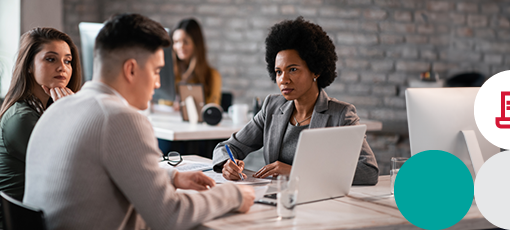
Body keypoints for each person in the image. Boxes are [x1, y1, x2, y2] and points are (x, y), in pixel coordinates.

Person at [23, 13, 254, 230]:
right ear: (131, 69)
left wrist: (172, 177)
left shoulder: (57, 108)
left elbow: (100, 173)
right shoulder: (120, 118)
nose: (156, 83)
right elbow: (169, 216)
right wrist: (233, 195)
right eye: (156, 71)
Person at [211, 17, 379, 185]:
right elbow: (227, 147)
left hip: (318, 203)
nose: (283, 79)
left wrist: (297, 172)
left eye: (292, 70)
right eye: (278, 72)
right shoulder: (272, 107)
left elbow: (368, 171)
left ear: (316, 71)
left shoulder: (340, 115)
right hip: (275, 199)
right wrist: (227, 164)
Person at [0, 27, 82, 230]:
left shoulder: (41, 110)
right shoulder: (22, 118)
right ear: (29, 66)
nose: (62, 67)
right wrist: (74, 116)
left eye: (67, 61)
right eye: (51, 59)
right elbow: (67, 170)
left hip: (27, 215)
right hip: (6, 221)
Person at [172, 18, 222, 106]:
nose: (180, 46)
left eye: (186, 42)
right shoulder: (171, 73)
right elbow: (163, 104)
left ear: (196, 44)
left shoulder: (212, 76)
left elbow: (212, 109)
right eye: (176, 42)